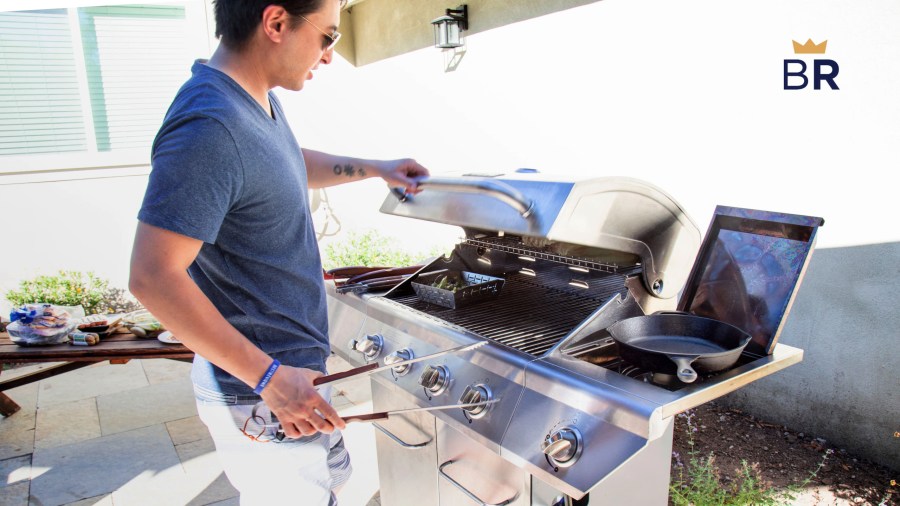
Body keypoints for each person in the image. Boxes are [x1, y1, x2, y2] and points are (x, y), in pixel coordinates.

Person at [128, 0, 428, 503]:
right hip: (262, 386)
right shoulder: (210, 126)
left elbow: (281, 162)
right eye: (327, 36)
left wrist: (376, 167)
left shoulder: (250, 100)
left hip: (287, 375)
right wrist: (269, 379)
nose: (330, 55)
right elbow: (153, 277)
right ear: (275, 22)